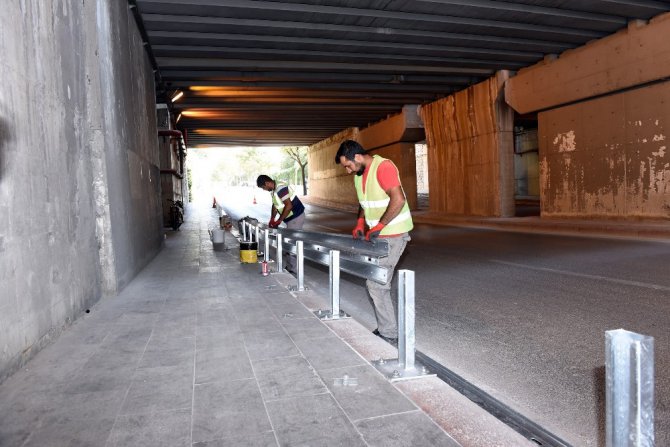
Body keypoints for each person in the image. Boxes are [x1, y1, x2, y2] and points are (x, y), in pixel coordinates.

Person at [335, 140, 413, 344]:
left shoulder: (383, 167)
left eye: (348, 165)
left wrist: (379, 225)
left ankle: (389, 333)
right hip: (379, 237)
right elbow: (364, 203)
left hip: (393, 235)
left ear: (358, 157)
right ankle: (388, 330)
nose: (349, 170)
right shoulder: (360, 175)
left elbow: (399, 199)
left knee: (376, 284)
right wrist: (360, 222)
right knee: (375, 282)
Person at [256, 174, 306, 273]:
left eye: (263, 187)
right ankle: (291, 266)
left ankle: (294, 269)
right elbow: (275, 205)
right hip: (291, 219)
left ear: (267, 183)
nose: (264, 189)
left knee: (292, 243)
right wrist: (272, 218)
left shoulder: (280, 188)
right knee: (289, 242)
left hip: (296, 216)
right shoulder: (274, 191)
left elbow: (289, 206)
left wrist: (279, 221)